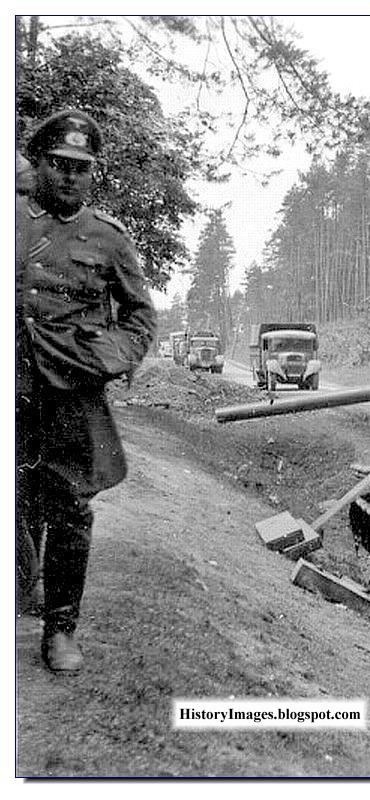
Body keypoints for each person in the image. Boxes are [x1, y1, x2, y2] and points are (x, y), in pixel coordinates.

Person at [16, 109, 157, 673]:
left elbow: (140, 317)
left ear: (92, 173)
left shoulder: (108, 239)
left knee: (70, 509)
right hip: (14, 390)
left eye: (81, 167)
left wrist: (105, 358)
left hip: (71, 396)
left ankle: (60, 629)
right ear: (39, 164)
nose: (69, 176)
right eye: (59, 164)